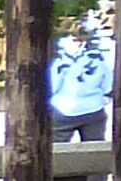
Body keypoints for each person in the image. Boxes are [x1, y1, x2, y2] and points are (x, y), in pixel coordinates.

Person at [46, 14, 112, 142]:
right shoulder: (101, 58)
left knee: (58, 150)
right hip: (93, 107)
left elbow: (53, 86)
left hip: (63, 107)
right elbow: (107, 85)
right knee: (94, 148)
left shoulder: (60, 60)